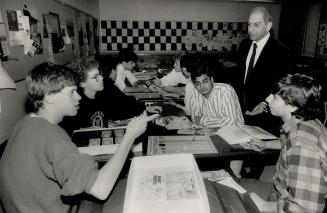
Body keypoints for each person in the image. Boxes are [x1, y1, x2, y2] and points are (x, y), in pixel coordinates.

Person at [0, 62, 159, 212]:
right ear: (49, 97)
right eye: (72, 92)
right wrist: (129, 137)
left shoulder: (26, 122)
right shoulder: (50, 134)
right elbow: (101, 189)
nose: (79, 97)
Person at [243, 73, 327, 213]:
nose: (268, 99)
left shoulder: (301, 147)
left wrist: (265, 207)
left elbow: (307, 210)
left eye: (275, 96)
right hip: (281, 191)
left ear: (293, 106)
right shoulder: (305, 122)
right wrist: (265, 145)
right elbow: (287, 144)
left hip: (283, 202)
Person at [60, 58, 161, 135]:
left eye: (99, 74)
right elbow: (68, 132)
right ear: (82, 83)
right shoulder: (75, 106)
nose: (101, 78)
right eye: (96, 77)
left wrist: (146, 108)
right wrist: (84, 130)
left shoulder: (101, 96)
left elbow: (118, 112)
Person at [236, 6, 293, 136]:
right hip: (241, 111)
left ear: (268, 26)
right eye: (249, 24)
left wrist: (264, 103)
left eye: (256, 25)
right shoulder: (244, 45)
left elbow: (282, 86)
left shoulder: (282, 52)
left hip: (265, 116)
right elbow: (239, 77)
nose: (250, 29)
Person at [187, 61, 244, 128]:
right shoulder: (194, 94)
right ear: (193, 84)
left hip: (234, 133)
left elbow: (231, 121)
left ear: (212, 79)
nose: (202, 87)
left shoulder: (226, 90)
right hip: (209, 133)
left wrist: (203, 121)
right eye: (197, 84)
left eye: (205, 82)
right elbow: (195, 120)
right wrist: (219, 122)